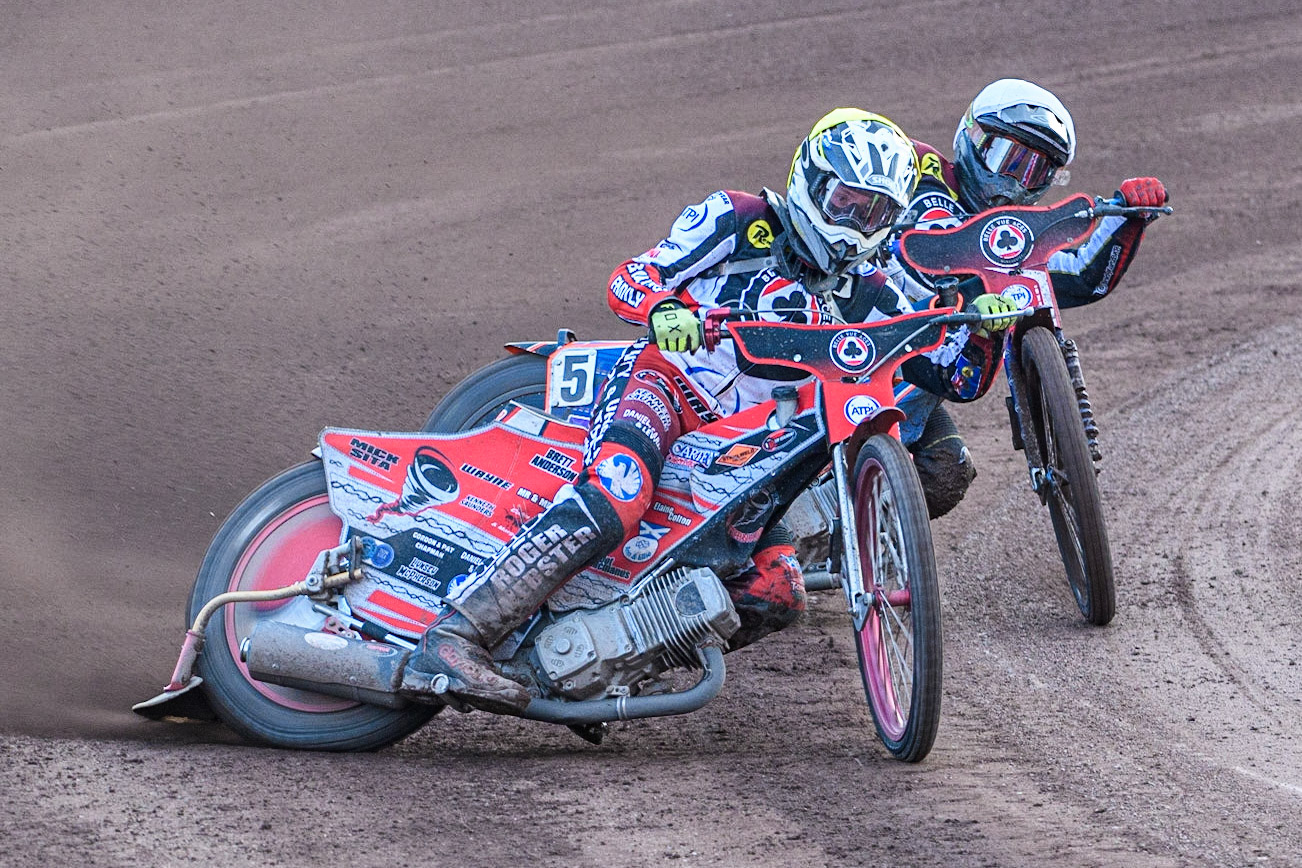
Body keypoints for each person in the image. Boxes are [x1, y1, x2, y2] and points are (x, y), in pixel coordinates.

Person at [405, 109, 1021, 714]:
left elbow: (951, 377)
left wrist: (988, 325)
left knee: (778, 592)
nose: (857, 225)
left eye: (877, 213)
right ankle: (456, 635)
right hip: (670, 388)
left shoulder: (873, 290)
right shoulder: (737, 219)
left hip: (756, 448)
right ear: (809, 180)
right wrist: (661, 309)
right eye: (847, 203)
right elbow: (632, 277)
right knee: (620, 491)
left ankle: (586, 670)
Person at [883, 78, 1168, 519]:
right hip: (849, 365)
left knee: (946, 475)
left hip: (917, 392)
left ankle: (865, 542)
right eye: (1007, 158)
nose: (1015, 181)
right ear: (972, 137)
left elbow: (1078, 275)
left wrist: (1128, 216)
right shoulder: (912, 170)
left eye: (1035, 171)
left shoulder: (1011, 241)